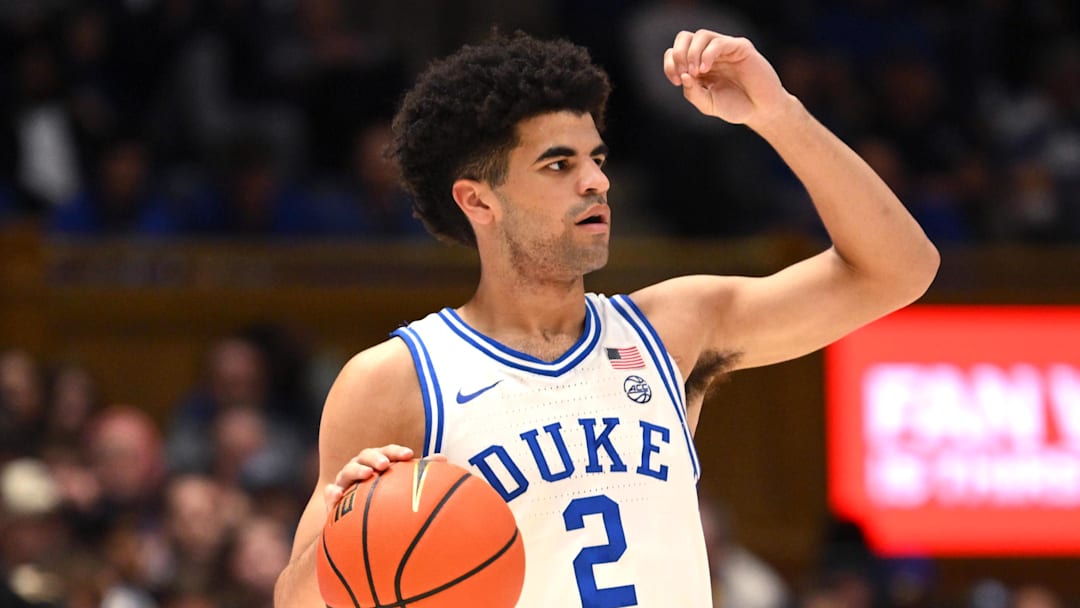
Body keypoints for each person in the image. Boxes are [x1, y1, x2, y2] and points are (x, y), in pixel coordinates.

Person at [274, 28, 939, 607]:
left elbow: (900, 269)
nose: (596, 181)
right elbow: (295, 600)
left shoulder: (674, 327)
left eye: (596, 158)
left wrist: (777, 114)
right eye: (559, 164)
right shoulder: (397, 379)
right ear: (479, 201)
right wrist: (345, 534)